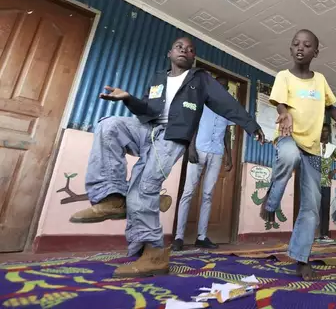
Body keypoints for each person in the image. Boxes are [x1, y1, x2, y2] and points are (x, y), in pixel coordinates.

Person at [69, 36, 265, 278]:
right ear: (169, 53)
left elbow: (227, 103)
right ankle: (111, 197)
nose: (185, 50)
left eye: (190, 49)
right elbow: (149, 111)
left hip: (172, 136)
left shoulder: (200, 79)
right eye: (179, 47)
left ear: (194, 58)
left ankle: (153, 255)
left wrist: (251, 125)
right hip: (148, 129)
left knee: (144, 187)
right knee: (109, 125)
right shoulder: (158, 78)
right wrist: (129, 99)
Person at [260, 29, 336, 281]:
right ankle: (272, 200)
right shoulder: (284, 76)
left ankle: (301, 257)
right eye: (296, 44)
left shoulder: (320, 80)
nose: (301, 48)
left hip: (313, 148)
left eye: (307, 45)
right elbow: (279, 101)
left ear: (316, 51)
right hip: (290, 137)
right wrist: (284, 113)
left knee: (311, 205)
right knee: (288, 157)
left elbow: (330, 105)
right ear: (290, 49)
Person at [172, 76, 235, 251]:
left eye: (225, 87)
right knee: (188, 192)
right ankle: (178, 237)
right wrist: (190, 148)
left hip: (217, 153)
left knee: (208, 194)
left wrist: (229, 156)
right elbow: (192, 125)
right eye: (219, 85)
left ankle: (201, 236)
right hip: (198, 149)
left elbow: (227, 133)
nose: (222, 89)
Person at [318, 123, 336, 242]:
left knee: (325, 208)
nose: (324, 133)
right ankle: (312, 234)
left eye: (326, 131)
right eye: (322, 131)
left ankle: (324, 234)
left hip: (326, 183)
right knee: (312, 208)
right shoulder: (314, 146)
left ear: (329, 133)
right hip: (313, 182)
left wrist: (334, 170)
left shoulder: (332, 148)